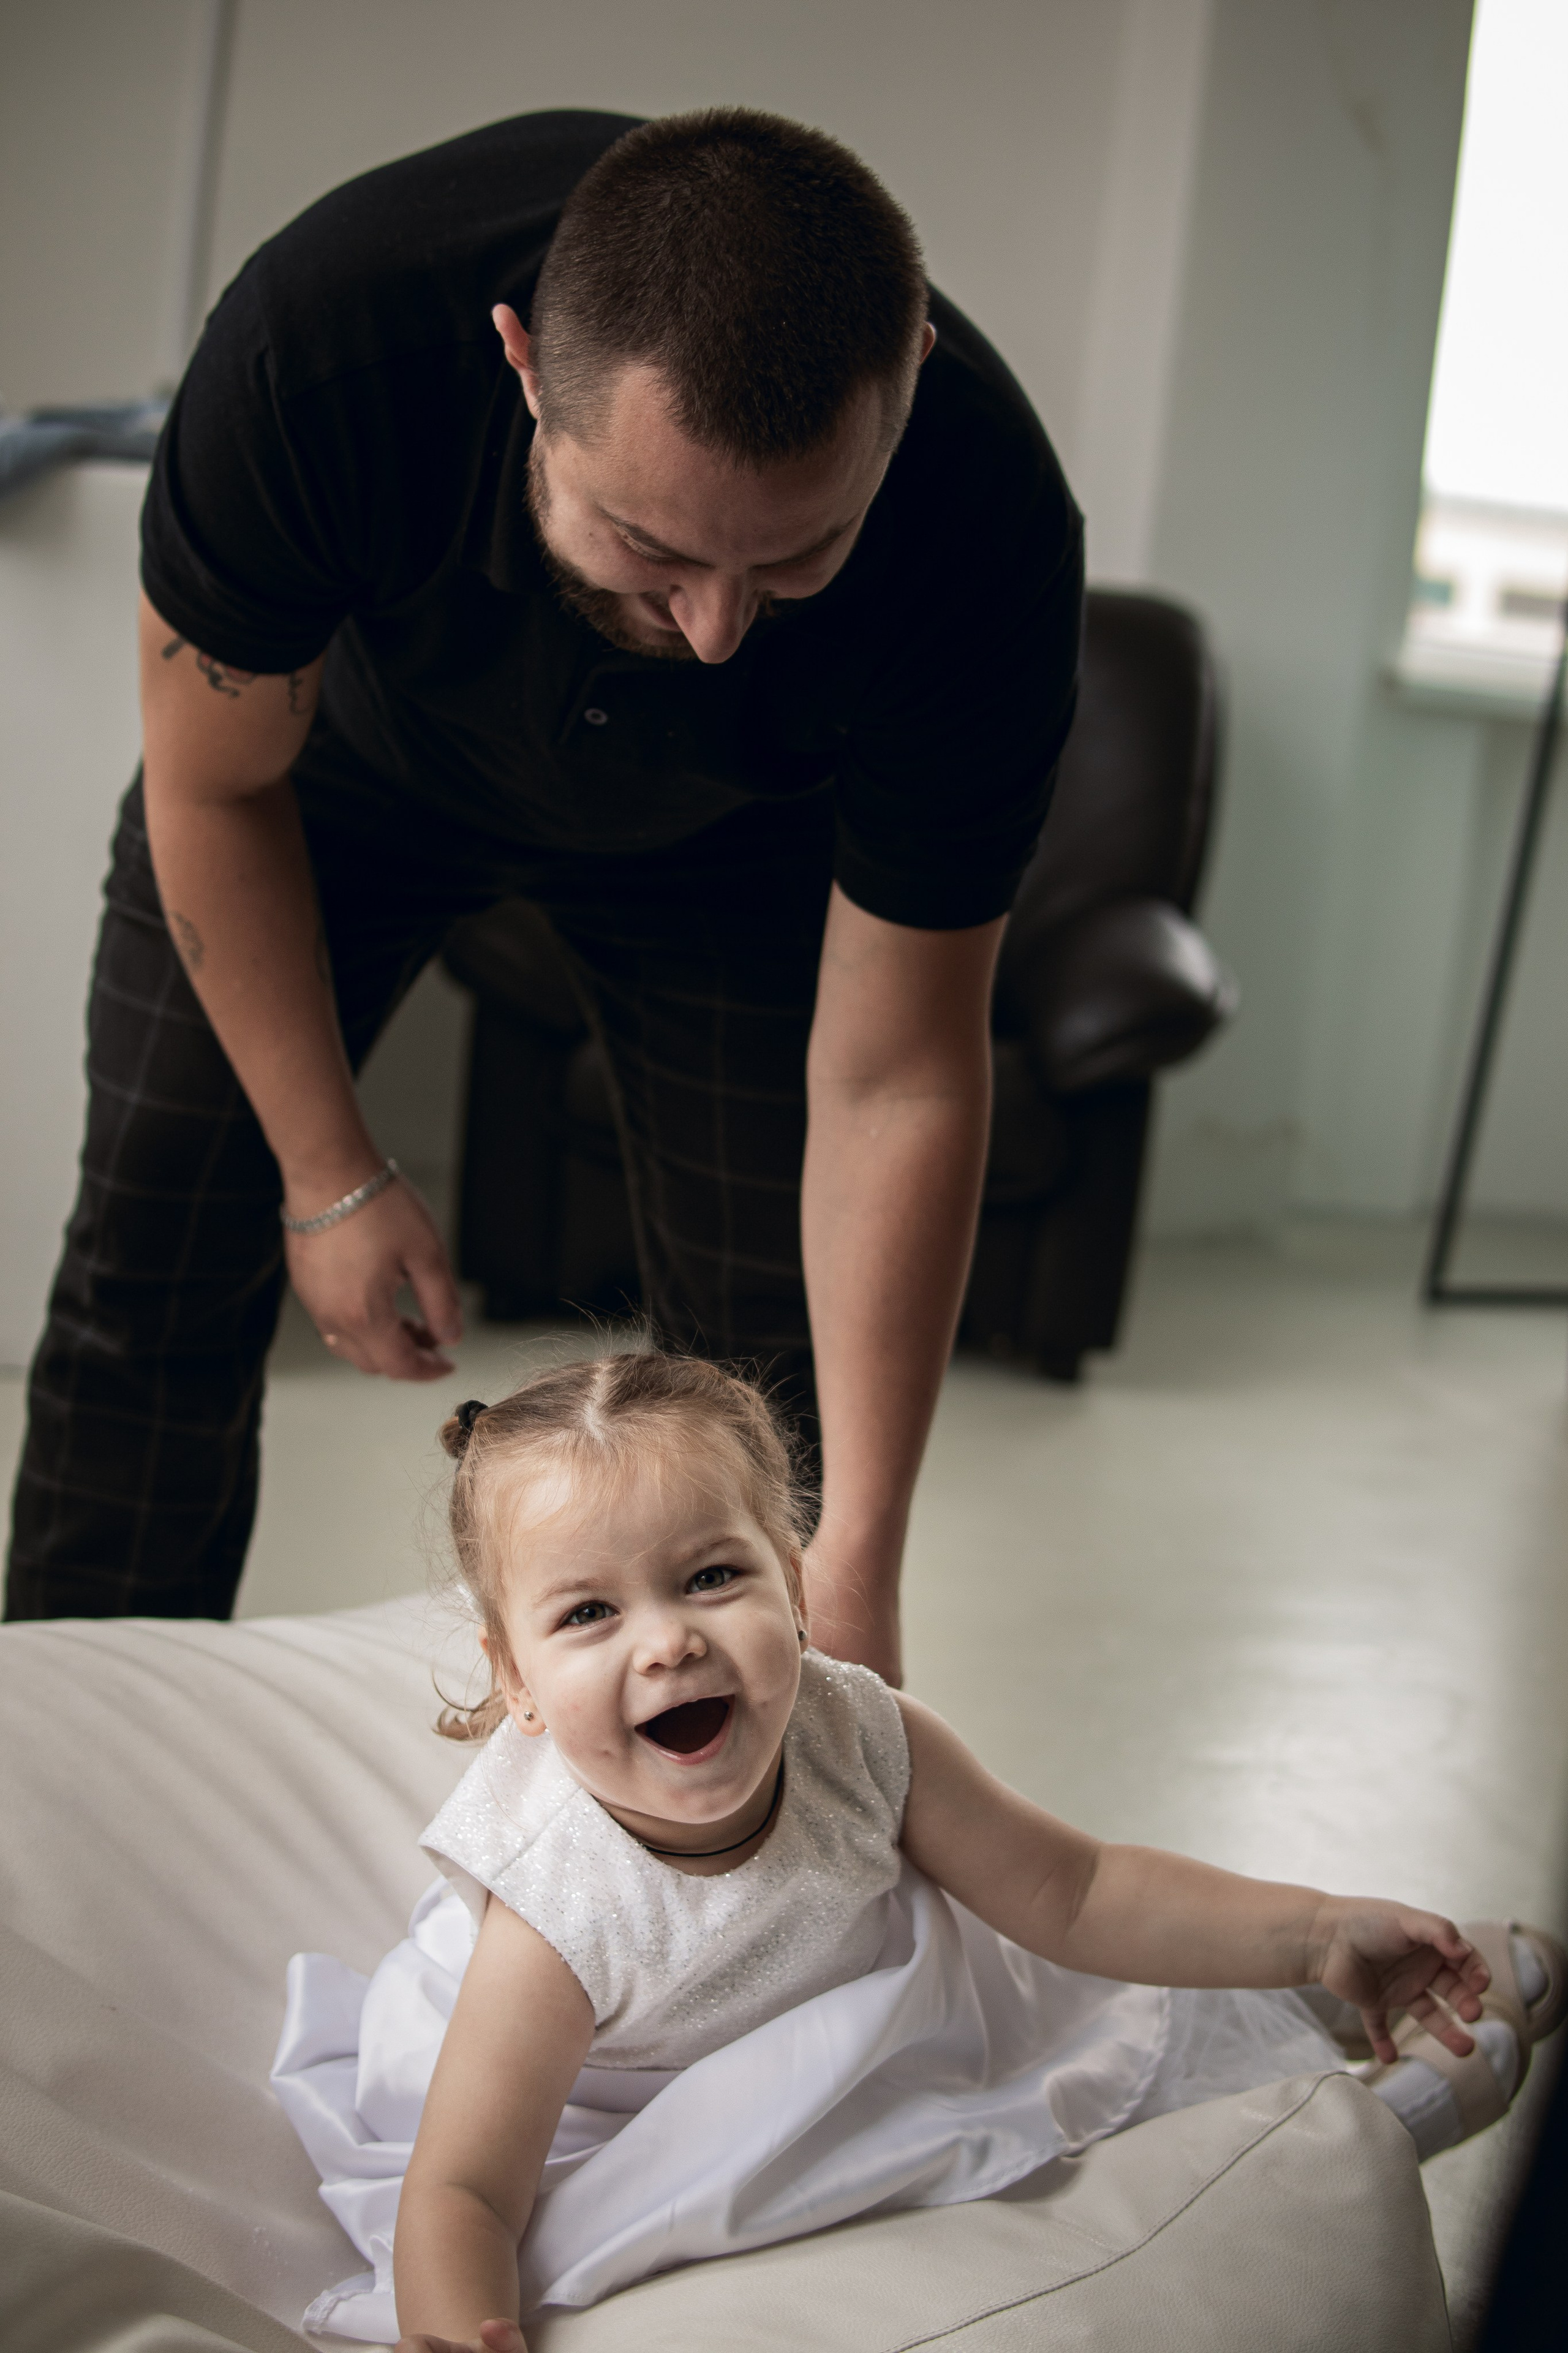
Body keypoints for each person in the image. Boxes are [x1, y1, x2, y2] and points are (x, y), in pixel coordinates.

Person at [6, 107, 1084, 1680]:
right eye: (648, 547)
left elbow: (899, 1068)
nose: (717, 628)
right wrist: (331, 1172)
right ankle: (72, 1787)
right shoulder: (319, 351)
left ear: (908, 376)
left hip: (735, 844)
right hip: (333, 782)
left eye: (793, 559)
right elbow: (212, 785)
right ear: (519, 363)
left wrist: (856, 1552)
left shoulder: (983, 530)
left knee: (767, 1402)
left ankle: (711, 1884)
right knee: (153, 1260)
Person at [269, 1352, 1566, 2351]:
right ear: (519, 1684)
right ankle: (1347, 2134)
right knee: (879, 2161)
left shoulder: (862, 1733)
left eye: (712, 1576)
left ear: (792, 1580)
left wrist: (1315, 1919)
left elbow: (1079, 1889)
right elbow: (464, 2191)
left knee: (1086, 2011)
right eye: (592, 1612)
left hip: (860, 1993)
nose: (665, 1643)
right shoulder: (558, 1906)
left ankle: (1337, 1984)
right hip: (645, 2102)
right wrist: (456, 2331)